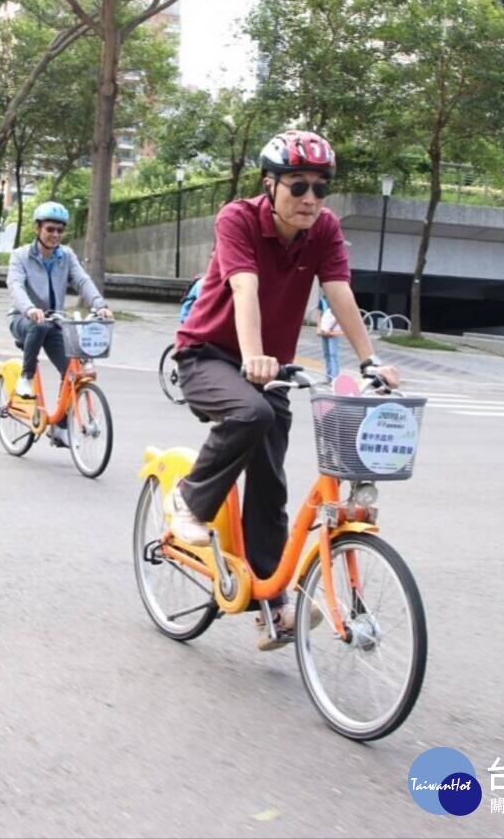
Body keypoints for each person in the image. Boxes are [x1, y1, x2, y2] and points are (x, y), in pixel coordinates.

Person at [166, 129, 400, 651]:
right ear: (269, 184)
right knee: (252, 414)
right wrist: (252, 355)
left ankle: (271, 603)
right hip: (207, 354)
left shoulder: (325, 230)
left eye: (321, 188)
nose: (311, 199)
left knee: (270, 483)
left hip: (269, 367)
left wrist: (371, 361)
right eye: (298, 186)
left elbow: (339, 292)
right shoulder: (238, 218)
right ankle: (190, 499)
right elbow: (243, 286)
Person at [6, 201, 114, 404]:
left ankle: (61, 429)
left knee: (72, 374)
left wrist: (100, 305)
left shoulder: (66, 255)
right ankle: (26, 377)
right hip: (23, 319)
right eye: (50, 229)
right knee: (39, 326)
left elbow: (82, 280)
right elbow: (15, 286)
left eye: (59, 230)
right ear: (37, 228)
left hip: (54, 322)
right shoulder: (20, 256)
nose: (55, 234)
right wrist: (29, 309)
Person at [316, 293, 342, 379]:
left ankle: (335, 378)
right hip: (324, 330)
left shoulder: (336, 298)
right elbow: (319, 314)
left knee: (333, 354)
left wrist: (330, 328)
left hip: (333, 331)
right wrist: (319, 328)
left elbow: (339, 316)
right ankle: (329, 377)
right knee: (326, 354)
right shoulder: (322, 299)